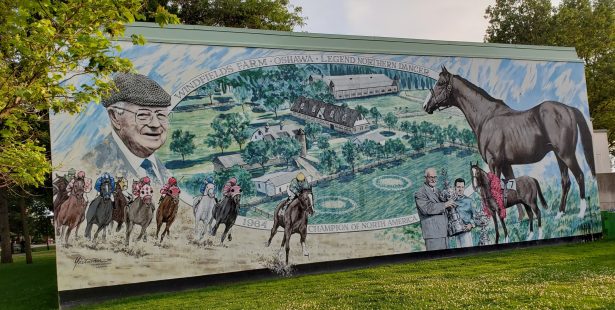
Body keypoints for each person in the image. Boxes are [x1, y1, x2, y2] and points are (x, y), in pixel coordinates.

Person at [82, 73, 171, 184]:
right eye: (143, 115)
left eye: (161, 115)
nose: (156, 124)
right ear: (115, 117)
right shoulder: (93, 165)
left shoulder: (161, 169)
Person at [414, 167, 455, 251]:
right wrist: (445, 204)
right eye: (430, 177)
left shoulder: (439, 191)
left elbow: (444, 207)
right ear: (425, 178)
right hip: (433, 234)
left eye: (435, 177)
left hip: (444, 232)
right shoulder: (420, 193)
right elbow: (426, 209)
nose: (433, 179)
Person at [452, 178, 475, 248]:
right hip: (455, 234)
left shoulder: (469, 201)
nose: (460, 189)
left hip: (466, 233)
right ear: (455, 188)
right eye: (458, 187)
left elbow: (476, 216)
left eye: (462, 187)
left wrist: (471, 225)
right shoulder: (451, 201)